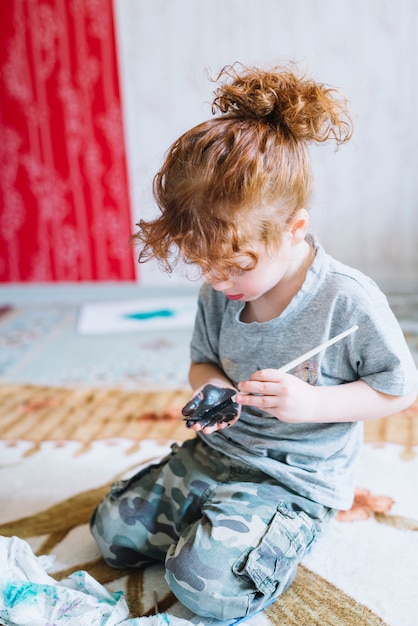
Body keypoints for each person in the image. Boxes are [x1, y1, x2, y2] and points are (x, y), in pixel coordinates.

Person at [90, 63, 418, 621]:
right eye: (206, 267)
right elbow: (202, 362)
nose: (218, 283)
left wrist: (313, 404)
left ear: (293, 228)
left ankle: (285, 533)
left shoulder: (348, 300)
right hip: (217, 453)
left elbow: (399, 391)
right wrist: (212, 389)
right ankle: (215, 524)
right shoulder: (221, 287)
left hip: (292, 480)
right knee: (111, 535)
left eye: (235, 267)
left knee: (205, 588)